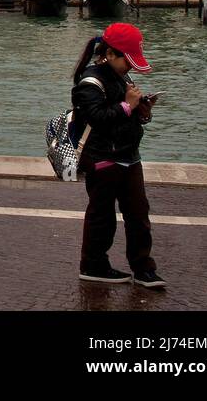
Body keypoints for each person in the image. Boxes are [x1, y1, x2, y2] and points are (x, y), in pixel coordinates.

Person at [71, 23, 163, 288]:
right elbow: (97, 118)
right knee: (102, 216)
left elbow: (126, 114)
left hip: (129, 155)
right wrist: (127, 106)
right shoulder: (90, 82)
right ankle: (93, 265)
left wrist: (142, 110)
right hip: (103, 157)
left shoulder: (122, 76)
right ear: (110, 54)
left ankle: (144, 268)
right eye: (127, 59)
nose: (131, 66)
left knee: (139, 214)